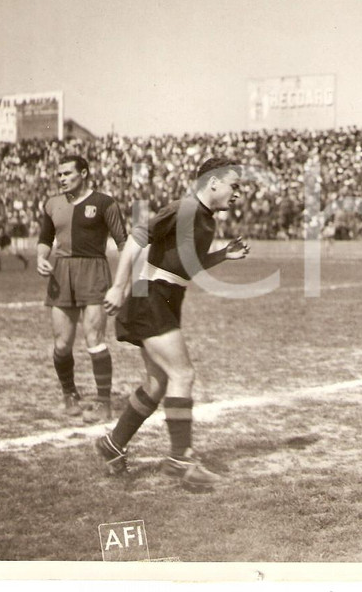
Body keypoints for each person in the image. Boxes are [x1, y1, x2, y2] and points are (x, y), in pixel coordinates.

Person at [98, 157, 250, 491]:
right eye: (233, 185)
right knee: (183, 374)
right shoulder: (184, 209)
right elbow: (137, 238)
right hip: (148, 296)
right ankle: (180, 460)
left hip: (165, 297)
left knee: (157, 383)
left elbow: (187, 267)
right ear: (213, 183)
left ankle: (112, 444)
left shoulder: (207, 221)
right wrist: (119, 285)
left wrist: (223, 254)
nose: (237, 193)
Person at [37, 155, 128, 421]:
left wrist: (123, 284)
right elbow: (45, 238)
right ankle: (70, 394)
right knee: (62, 343)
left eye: (67, 173)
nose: (62, 178)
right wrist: (41, 258)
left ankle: (103, 402)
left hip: (94, 271)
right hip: (61, 272)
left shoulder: (104, 202)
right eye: (59, 174)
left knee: (94, 339)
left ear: (84, 173)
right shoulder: (52, 204)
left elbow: (124, 243)